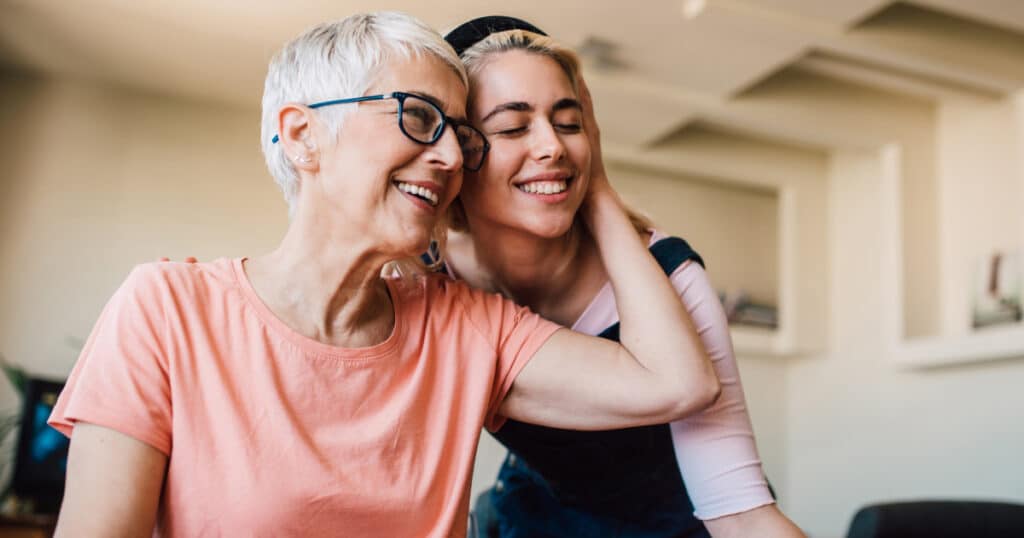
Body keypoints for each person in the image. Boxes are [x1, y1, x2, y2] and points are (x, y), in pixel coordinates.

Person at [47, 12, 720, 537]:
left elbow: (677, 382)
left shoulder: (464, 326)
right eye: (420, 118)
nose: (454, 155)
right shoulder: (167, 310)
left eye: (460, 133)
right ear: (303, 136)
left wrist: (593, 182)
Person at [440, 16, 805, 538]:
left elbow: (741, 512)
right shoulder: (434, 279)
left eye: (569, 123)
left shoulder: (670, 274)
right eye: (513, 127)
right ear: (458, 153)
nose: (552, 146)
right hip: (532, 522)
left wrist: (601, 191)